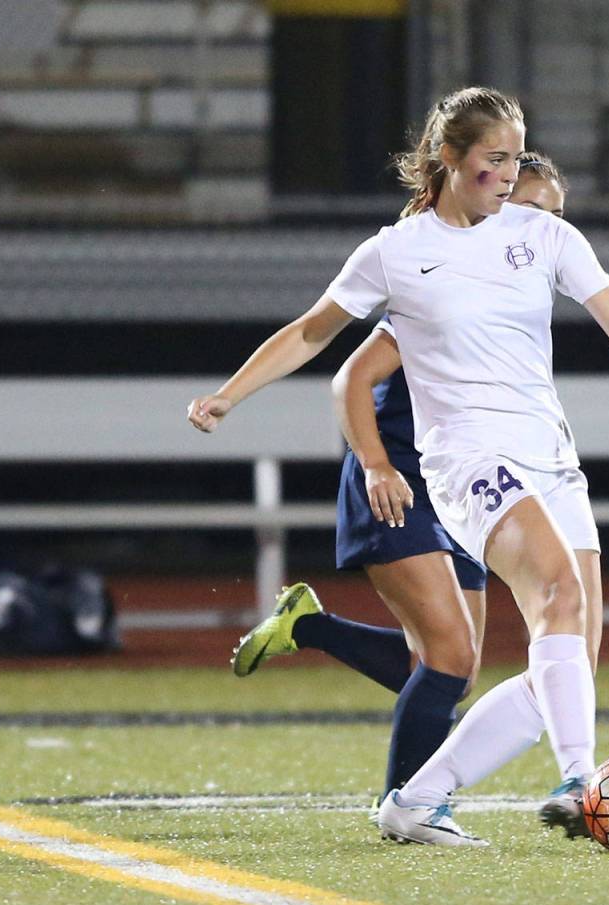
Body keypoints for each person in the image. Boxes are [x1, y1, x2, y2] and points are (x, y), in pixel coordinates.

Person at [188, 86, 609, 848]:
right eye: (494, 159)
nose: (510, 174)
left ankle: (416, 800)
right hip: (466, 461)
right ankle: (581, 780)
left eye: (517, 156)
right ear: (448, 159)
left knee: (568, 655)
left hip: (552, 459)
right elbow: (313, 335)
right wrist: (229, 395)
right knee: (552, 592)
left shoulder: (544, 235)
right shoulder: (396, 251)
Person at [228, 152, 571, 808]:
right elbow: (351, 377)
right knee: (448, 652)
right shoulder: (440, 283)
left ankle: (310, 628)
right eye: (530, 212)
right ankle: (409, 804)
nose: (544, 231)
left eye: (555, 217)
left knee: (455, 669)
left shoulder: (523, 301)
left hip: (464, 490)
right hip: (400, 481)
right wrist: (378, 466)